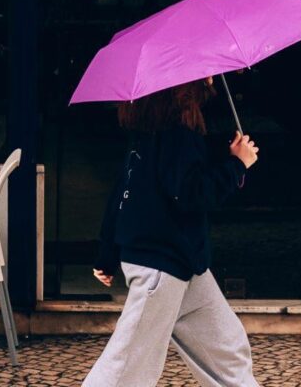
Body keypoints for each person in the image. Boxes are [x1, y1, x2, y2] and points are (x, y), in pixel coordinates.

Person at [84, 78, 261, 387]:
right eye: (205, 73)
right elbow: (191, 194)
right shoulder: (179, 134)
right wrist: (237, 164)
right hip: (162, 266)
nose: (211, 76)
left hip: (183, 262)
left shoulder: (150, 133)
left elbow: (122, 194)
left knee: (226, 348)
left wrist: (107, 254)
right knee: (126, 367)